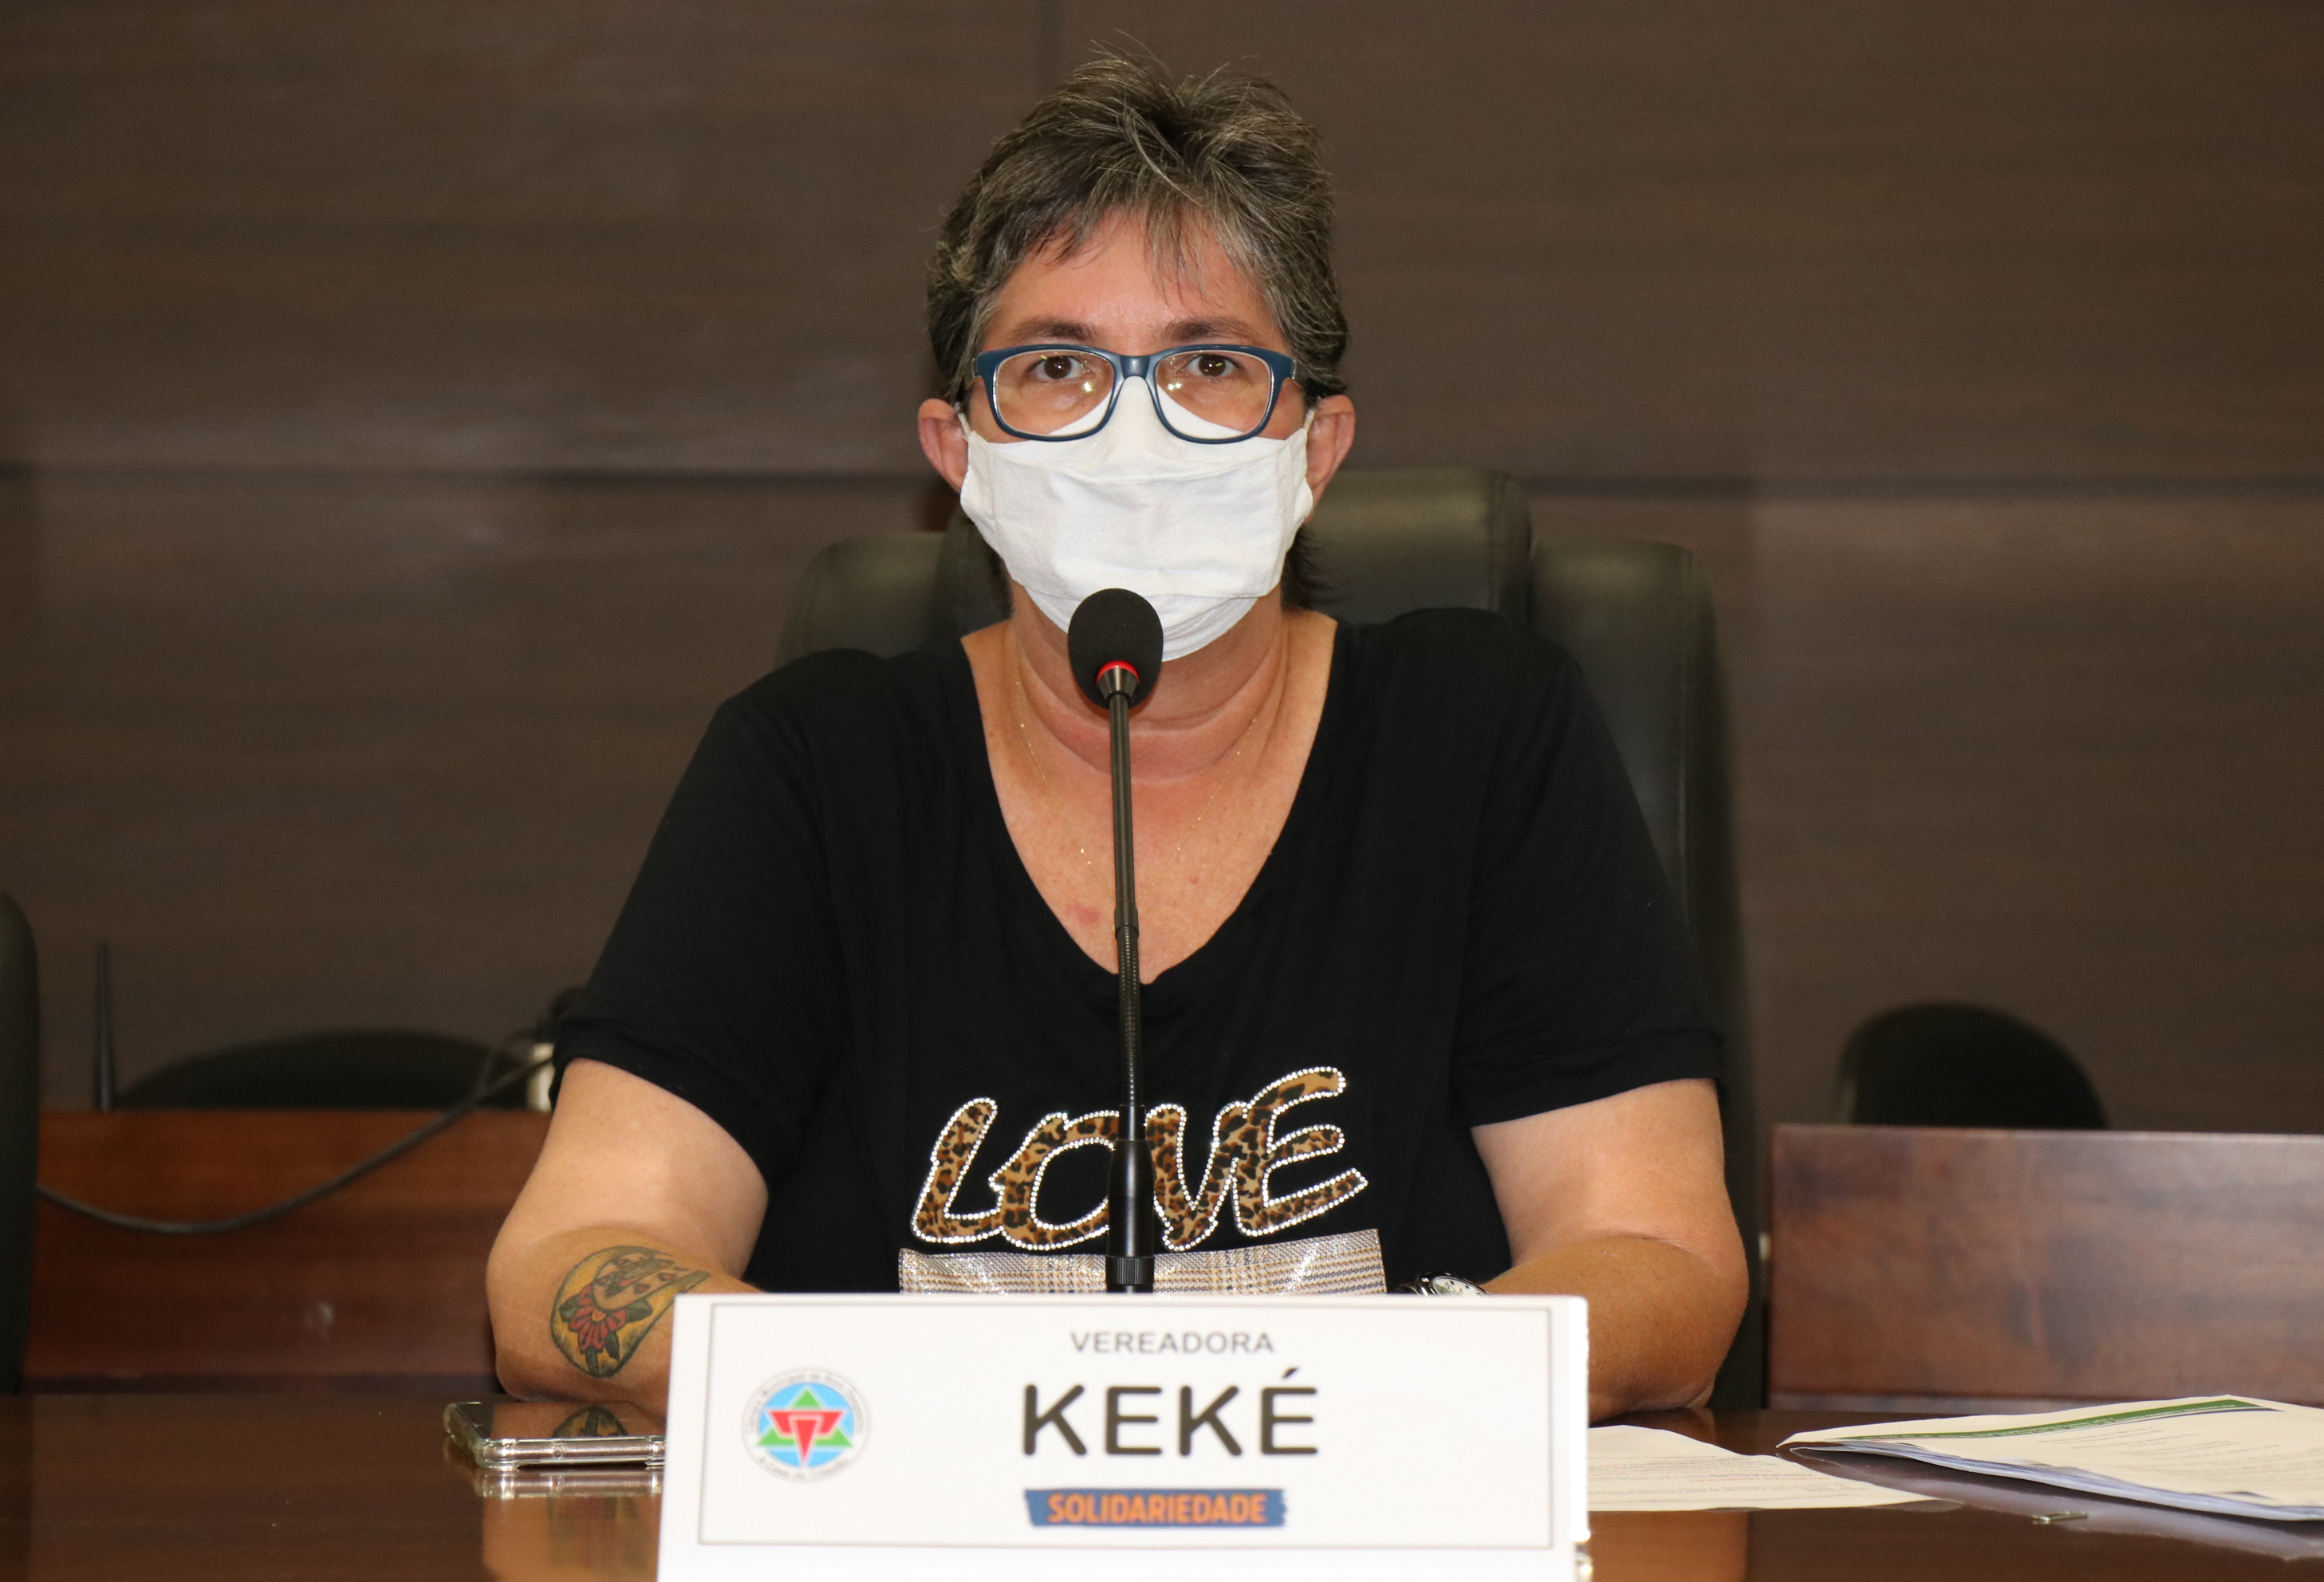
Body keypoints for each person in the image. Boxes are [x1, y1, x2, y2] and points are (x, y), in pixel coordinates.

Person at [487, 57, 1746, 1422]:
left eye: (1209, 364)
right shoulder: (817, 769)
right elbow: (572, 1262)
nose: (1132, 432)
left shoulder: (1480, 738)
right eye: (1056, 367)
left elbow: (1663, 1265)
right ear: (958, 451)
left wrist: (1368, 1408)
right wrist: (887, 1410)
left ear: (1317, 448)